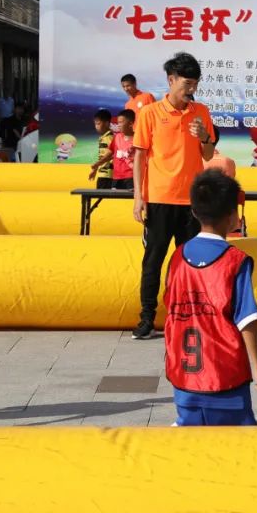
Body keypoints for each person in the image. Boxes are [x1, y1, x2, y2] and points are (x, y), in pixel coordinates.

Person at [163, 170, 257, 425]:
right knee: (239, 445)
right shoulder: (235, 261)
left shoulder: (177, 257)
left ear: (194, 211)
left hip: (184, 378)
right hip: (225, 377)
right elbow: (246, 319)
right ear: (233, 216)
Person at [130, 53, 215, 340]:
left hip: (191, 202)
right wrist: (139, 197)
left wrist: (204, 136)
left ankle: (186, 316)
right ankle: (146, 317)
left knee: (190, 263)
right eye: (187, 84)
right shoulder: (150, 113)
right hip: (158, 200)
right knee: (153, 260)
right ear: (171, 80)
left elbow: (208, 154)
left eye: (195, 84)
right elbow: (140, 157)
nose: (191, 89)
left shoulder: (201, 112)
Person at [87, 109, 115, 189]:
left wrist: (97, 164)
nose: (96, 126)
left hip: (107, 175)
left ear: (107, 123)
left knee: (102, 195)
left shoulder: (109, 137)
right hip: (103, 174)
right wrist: (95, 170)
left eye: (98, 124)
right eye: (95, 124)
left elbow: (111, 154)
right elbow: (102, 156)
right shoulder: (103, 137)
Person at [110, 109, 136, 190]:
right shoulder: (117, 137)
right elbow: (110, 153)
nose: (119, 125)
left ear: (130, 124)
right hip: (116, 177)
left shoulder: (138, 139)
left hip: (131, 176)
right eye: (118, 123)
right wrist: (97, 164)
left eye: (121, 122)